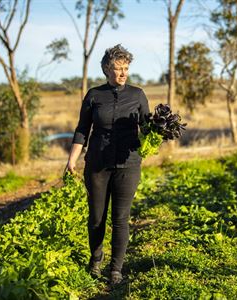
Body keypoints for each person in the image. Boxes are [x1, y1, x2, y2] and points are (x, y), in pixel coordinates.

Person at [65, 44, 150, 285]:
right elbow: (83, 129)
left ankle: (116, 269)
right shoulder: (94, 95)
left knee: (120, 219)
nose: (123, 73)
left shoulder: (137, 95)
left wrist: (157, 133)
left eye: (126, 68)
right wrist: (71, 159)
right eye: (117, 68)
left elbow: (147, 128)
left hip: (128, 164)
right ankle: (95, 260)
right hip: (97, 164)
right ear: (106, 69)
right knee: (96, 217)